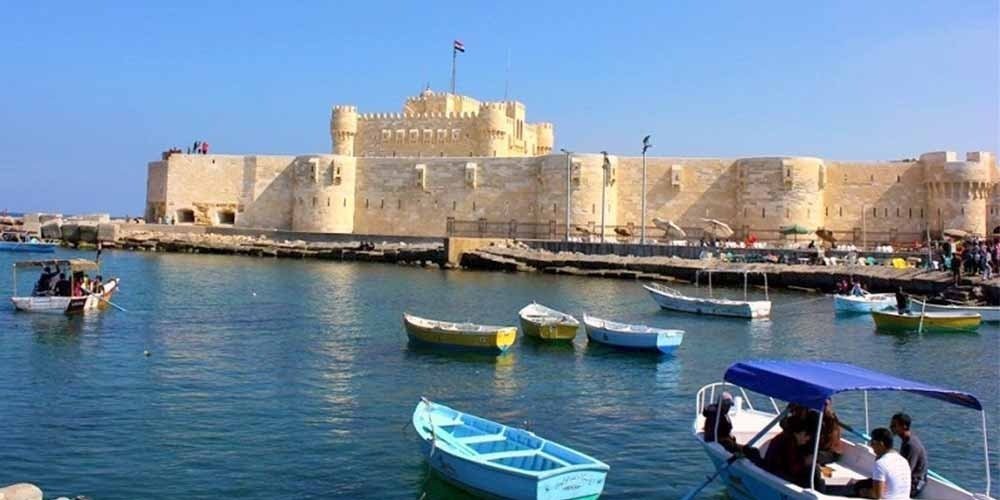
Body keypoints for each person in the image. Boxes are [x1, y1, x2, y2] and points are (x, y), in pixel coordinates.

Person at [834, 428, 911, 499]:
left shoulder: (881, 463)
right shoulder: (903, 461)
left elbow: (877, 495)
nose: (871, 445)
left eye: (873, 442)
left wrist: (863, 492)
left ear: (881, 444)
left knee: (849, 490)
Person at [764, 415, 813, 488]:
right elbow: (791, 468)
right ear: (797, 433)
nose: (808, 438)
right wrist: (805, 462)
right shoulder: (789, 443)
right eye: (805, 435)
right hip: (775, 472)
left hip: (774, 468)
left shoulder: (788, 438)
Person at [890, 413, 927, 497]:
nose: (891, 427)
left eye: (894, 425)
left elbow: (906, 472)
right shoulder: (906, 440)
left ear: (904, 426)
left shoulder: (911, 445)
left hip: (914, 485)